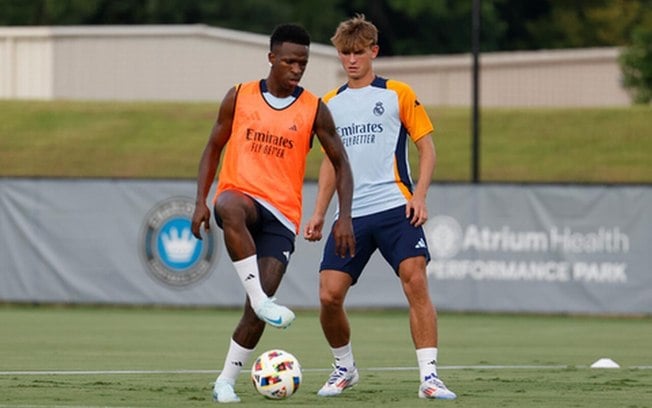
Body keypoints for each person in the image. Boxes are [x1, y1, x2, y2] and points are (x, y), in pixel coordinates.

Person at [191, 23, 356, 403]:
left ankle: (225, 381)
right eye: (289, 62)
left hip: (282, 216)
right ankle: (260, 304)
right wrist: (200, 199)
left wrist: (343, 215)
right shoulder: (240, 96)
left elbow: (341, 163)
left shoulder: (314, 108)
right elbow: (213, 147)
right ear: (271, 59)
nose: (297, 69)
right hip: (244, 196)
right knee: (226, 205)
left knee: (255, 311)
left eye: (303, 63)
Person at [304, 14, 456, 400]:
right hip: (350, 216)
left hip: (395, 207)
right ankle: (344, 367)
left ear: (374, 51)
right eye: (344, 53)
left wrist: (419, 195)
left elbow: (427, 148)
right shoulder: (329, 104)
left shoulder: (398, 93)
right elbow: (328, 163)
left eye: (358, 52)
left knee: (415, 280)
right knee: (328, 295)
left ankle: (429, 378)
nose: (351, 60)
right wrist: (321, 212)